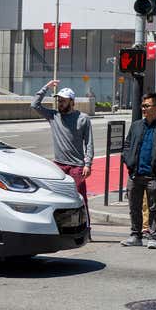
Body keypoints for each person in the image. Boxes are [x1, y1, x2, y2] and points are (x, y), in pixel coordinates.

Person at [120, 93, 156, 249]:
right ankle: (135, 235)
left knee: (154, 207)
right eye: (142, 105)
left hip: (154, 176)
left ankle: (153, 236)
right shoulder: (136, 125)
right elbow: (127, 145)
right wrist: (128, 161)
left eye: (147, 106)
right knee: (134, 207)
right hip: (135, 174)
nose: (143, 108)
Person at [31, 80, 94, 218]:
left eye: (63, 101)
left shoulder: (83, 119)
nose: (60, 103)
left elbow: (89, 143)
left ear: (72, 102)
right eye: (59, 100)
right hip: (59, 166)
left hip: (77, 167)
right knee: (58, 199)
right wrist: (46, 87)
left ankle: (86, 228)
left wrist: (88, 164)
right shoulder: (53, 116)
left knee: (80, 199)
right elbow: (34, 104)